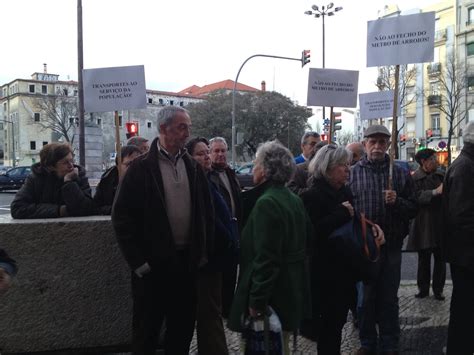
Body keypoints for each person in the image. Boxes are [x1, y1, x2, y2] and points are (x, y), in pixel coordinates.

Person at [112, 106, 213, 355]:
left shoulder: (193, 167)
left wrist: (202, 253)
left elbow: (206, 214)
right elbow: (122, 217)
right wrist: (139, 263)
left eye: (188, 126)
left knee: (181, 331)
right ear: (163, 129)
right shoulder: (140, 169)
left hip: (186, 265)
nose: (187, 132)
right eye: (182, 127)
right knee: (147, 332)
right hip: (153, 268)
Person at [228, 140, 311, 355]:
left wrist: (257, 301)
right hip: (290, 289)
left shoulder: (267, 203)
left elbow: (267, 258)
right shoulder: (293, 199)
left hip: (273, 294)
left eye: (256, 163)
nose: (253, 167)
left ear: (265, 170)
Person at [301, 145, 385, 353]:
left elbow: (353, 219)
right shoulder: (312, 195)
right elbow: (311, 234)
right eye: (342, 165)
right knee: (327, 330)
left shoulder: (344, 190)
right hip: (324, 275)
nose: (348, 169)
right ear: (327, 168)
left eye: (348, 165)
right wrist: (340, 213)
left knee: (337, 326)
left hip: (344, 271)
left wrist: (373, 228)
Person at [350, 125, 417, 355]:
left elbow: (414, 208)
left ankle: (390, 342)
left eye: (382, 142)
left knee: (388, 298)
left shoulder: (399, 173)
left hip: (392, 246)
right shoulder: (353, 172)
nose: (377, 146)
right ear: (364, 143)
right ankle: (367, 342)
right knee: (364, 299)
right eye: (372, 141)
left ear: (389, 144)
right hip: (365, 248)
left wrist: (397, 201)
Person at [186, 137, 238, 355]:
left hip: (218, 257)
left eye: (208, 152)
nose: (207, 156)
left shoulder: (209, 178)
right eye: (201, 153)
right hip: (207, 257)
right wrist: (228, 240)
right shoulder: (196, 183)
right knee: (209, 313)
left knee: (214, 312)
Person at [442, 121, 474, 355]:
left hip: (466, 252)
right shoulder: (465, 167)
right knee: (464, 306)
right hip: (466, 254)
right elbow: (462, 216)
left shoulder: (466, 164)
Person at [11, 143, 94, 219]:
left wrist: (69, 183)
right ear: (50, 166)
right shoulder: (35, 179)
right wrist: (59, 210)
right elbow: (17, 208)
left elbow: (86, 209)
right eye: (65, 163)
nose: (71, 166)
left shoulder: (79, 176)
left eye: (72, 161)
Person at [208, 136, 242, 318]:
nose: (220, 154)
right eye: (216, 151)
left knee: (230, 277)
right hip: (220, 235)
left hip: (234, 233)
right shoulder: (208, 176)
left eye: (223, 150)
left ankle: (227, 311)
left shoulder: (230, 173)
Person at [406, 148, 446, 300]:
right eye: (433, 159)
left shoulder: (441, 175)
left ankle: (438, 289)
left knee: (440, 258)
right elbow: (415, 197)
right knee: (424, 258)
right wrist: (435, 192)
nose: (436, 161)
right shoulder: (415, 177)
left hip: (440, 220)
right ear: (424, 162)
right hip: (423, 222)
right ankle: (423, 289)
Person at [93, 145, 142, 215]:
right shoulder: (107, 182)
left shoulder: (149, 181)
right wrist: (116, 210)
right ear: (118, 166)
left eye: (138, 163)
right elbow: (96, 207)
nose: (134, 167)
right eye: (129, 164)